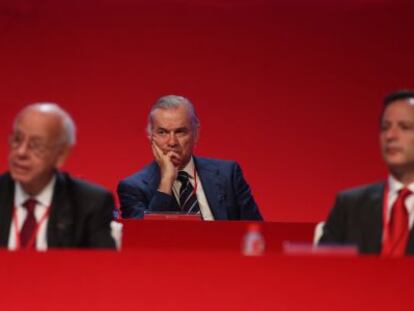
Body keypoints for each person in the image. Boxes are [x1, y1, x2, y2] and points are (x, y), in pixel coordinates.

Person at [117, 95, 263, 220]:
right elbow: (145, 240)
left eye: (180, 132)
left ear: (196, 134)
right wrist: (166, 181)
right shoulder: (133, 188)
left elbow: (256, 233)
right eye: (162, 132)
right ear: (150, 137)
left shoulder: (228, 175)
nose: (172, 142)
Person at [0, 103, 115, 250]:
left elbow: (103, 267)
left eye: (36, 145)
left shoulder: (90, 204)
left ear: (61, 155)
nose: (21, 152)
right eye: (17, 139)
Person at [319, 90, 414, 256]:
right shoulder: (349, 205)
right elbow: (320, 272)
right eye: (385, 127)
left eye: (404, 127)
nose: (390, 135)